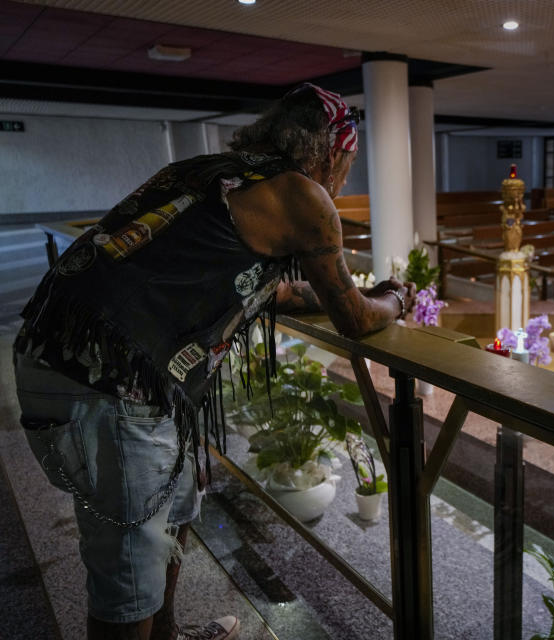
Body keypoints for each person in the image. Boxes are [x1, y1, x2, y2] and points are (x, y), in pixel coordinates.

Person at [13, 84, 415, 640]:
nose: (344, 177)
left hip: (73, 355)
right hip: (110, 382)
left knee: (173, 512)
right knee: (129, 573)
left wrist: (320, 296)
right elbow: (354, 317)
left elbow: (253, 287)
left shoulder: (214, 171)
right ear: (331, 152)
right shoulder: (303, 195)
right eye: (347, 162)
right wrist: (397, 299)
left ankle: (170, 635)